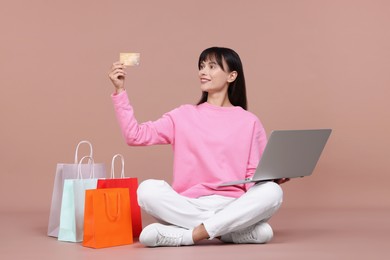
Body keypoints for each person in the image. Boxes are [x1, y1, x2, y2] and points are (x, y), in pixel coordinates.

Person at [108, 47, 289, 247]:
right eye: (202, 67)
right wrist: (120, 91)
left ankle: (190, 235)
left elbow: (251, 177)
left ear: (232, 75)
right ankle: (227, 232)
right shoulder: (183, 115)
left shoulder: (249, 121)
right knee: (146, 190)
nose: (203, 72)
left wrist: (270, 179)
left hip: (233, 204)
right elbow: (135, 136)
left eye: (212, 67)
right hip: (189, 204)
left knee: (272, 191)